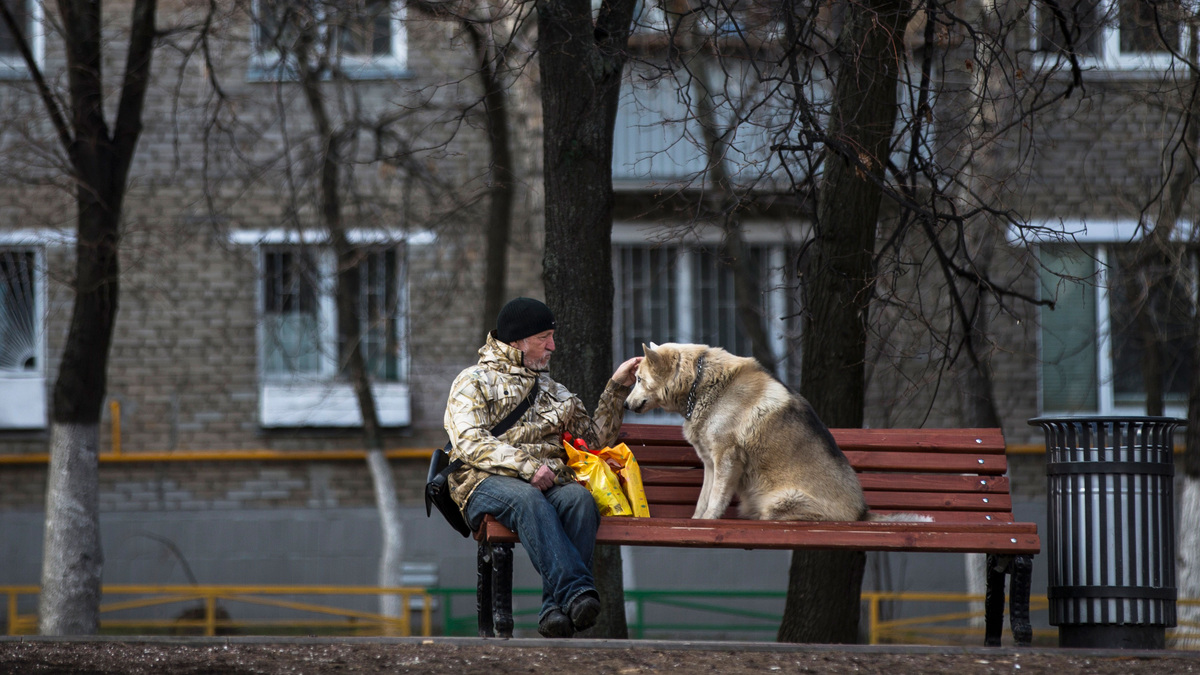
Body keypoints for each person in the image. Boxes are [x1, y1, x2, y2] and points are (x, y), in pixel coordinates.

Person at [443, 297, 641, 638]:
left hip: (545, 486)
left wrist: (618, 387)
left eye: (552, 336)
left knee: (579, 501)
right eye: (543, 338)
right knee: (525, 499)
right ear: (517, 341)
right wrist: (527, 467)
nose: (552, 345)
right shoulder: (473, 381)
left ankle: (554, 611)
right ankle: (577, 592)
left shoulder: (554, 391)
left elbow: (594, 441)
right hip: (481, 483)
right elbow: (468, 440)